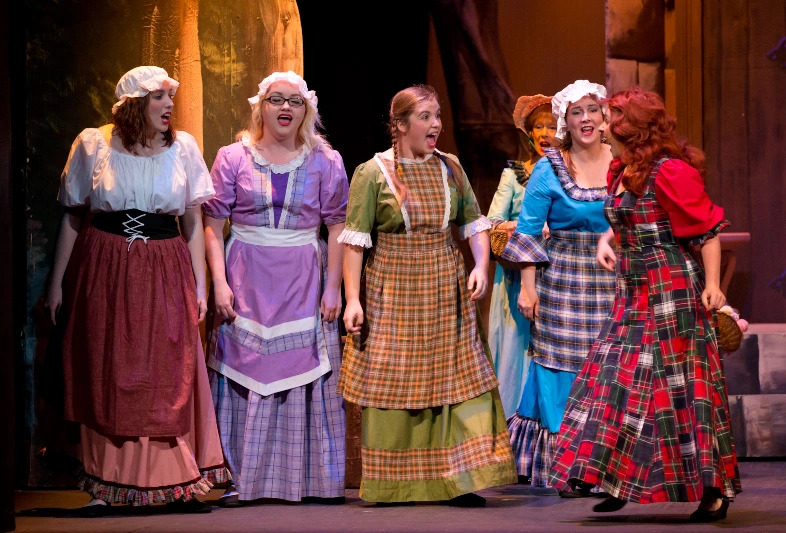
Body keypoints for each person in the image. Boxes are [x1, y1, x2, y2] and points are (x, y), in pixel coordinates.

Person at [549, 86, 741, 522]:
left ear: (629, 127)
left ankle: (714, 490)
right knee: (614, 380)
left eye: (608, 116)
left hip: (672, 290)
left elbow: (707, 232)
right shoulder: (623, 169)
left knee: (684, 389)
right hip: (633, 291)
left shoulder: (671, 172)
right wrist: (609, 239)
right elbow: (627, 217)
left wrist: (714, 285)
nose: (600, 124)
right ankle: (612, 476)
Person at [46, 66, 229, 514]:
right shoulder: (94, 143)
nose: (169, 105)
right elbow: (73, 216)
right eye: (159, 97)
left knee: (163, 369)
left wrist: (200, 285)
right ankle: (105, 481)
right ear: (134, 104)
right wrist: (56, 286)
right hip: (106, 264)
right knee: (106, 368)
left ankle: (168, 477)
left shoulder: (182, 148)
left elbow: (191, 223)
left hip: (164, 265)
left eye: (170, 97)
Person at [338, 85, 517, 506]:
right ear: (400, 125)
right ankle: (393, 484)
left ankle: (457, 480)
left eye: (437, 116)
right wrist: (353, 299)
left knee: (455, 377)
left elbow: (473, 223)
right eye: (425, 117)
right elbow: (355, 242)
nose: (436, 124)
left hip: (444, 285)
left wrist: (480, 266)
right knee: (394, 379)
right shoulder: (372, 173)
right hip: (393, 287)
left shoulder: (449, 166)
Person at [203, 71, 348, 504]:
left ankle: (306, 480)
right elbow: (212, 223)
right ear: (260, 108)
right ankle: (239, 478)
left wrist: (334, 287)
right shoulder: (233, 157)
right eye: (276, 99)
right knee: (243, 369)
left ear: (307, 111)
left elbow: (337, 225)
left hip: (303, 276)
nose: (286, 107)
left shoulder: (325, 160)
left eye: (295, 101)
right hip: (245, 275)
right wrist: (219, 284)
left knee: (303, 369)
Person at [500, 80, 616, 491]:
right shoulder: (550, 167)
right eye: (576, 112)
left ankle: (606, 461)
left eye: (592, 110)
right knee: (560, 364)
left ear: (604, 116)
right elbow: (529, 231)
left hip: (613, 278)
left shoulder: (621, 163)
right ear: (565, 121)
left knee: (610, 366)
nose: (586, 119)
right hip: (563, 278)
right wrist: (528, 287)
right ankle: (568, 462)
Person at [486, 94, 556, 422]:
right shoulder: (514, 174)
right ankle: (514, 425)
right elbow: (492, 221)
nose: (545, 133)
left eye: (552, 126)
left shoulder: (569, 173)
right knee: (517, 345)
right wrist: (523, 226)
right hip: (517, 274)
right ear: (528, 134)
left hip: (556, 272)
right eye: (538, 127)